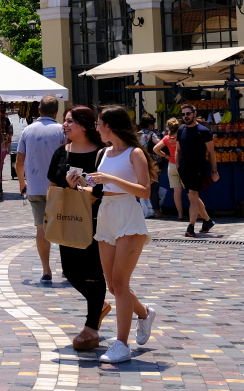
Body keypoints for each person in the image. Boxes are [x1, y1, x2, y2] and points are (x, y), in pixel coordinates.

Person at [85, 106, 157, 363]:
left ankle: (121, 345)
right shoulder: (103, 153)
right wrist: (80, 185)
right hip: (106, 213)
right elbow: (97, 191)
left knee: (120, 281)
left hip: (128, 214)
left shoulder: (135, 153)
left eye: (98, 123)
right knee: (114, 286)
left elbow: (145, 191)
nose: (96, 128)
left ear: (110, 126)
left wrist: (110, 179)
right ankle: (145, 313)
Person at [47, 105, 110, 351]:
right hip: (68, 219)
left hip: (96, 220)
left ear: (84, 125)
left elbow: (101, 192)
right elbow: (52, 186)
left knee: (94, 273)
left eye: (70, 121)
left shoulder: (101, 154)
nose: (64, 125)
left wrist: (79, 188)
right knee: (70, 272)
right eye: (64, 120)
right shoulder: (61, 153)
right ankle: (100, 304)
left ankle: (91, 327)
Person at [16, 95, 66, 284]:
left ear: (39, 109)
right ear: (56, 112)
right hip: (59, 188)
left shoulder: (27, 131)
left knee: (41, 228)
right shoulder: (61, 130)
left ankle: (46, 270)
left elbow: (19, 162)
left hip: (35, 187)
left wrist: (22, 182)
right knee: (63, 226)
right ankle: (67, 268)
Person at [175, 103, 217, 237]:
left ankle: (191, 227)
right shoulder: (181, 129)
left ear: (194, 114)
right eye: (183, 114)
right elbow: (178, 149)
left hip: (198, 168)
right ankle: (207, 221)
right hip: (184, 169)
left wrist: (214, 171)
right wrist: (177, 165)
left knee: (193, 196)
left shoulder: (204, 131)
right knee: (193, 197)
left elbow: (211, 152)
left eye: (188, 114)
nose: (185, 116)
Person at [153, 118, 182, 220]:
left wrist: (166, 156)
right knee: (190, 191)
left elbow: (155, 149)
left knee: (176, 192)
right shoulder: (181, 136)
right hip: (182, 164)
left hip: (172, 165)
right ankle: (197, 213)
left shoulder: (166, 138)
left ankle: (180, 214)